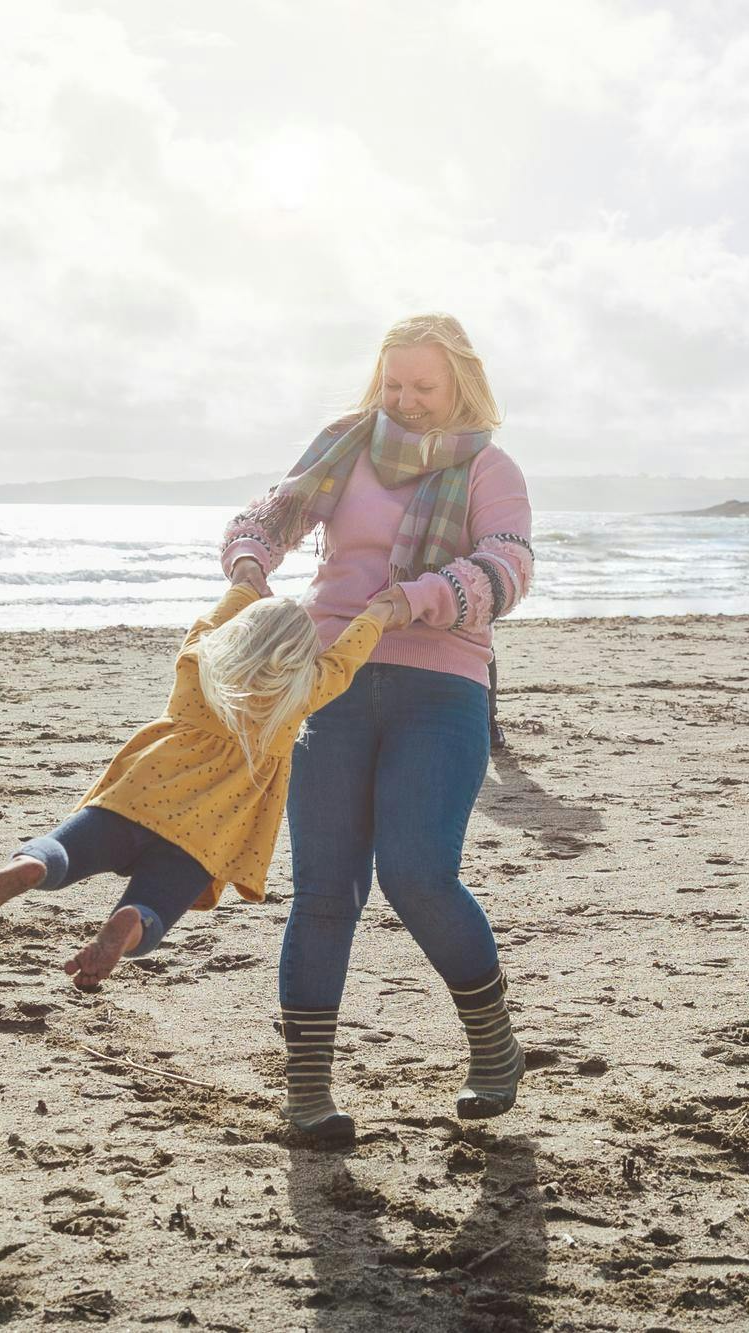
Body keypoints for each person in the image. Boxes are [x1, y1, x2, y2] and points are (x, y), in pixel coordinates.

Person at [223, 312, 535, 1142]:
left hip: (442, 689)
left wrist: (417, 596)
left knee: (418, 872)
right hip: (330, 682)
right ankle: (308, 1096)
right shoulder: (343, 445)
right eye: (393, 383)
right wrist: (250, 558)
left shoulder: (489, 470)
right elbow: (272, 513)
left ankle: (495, 1048)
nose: (404, 399)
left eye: (422, 386)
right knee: (325, 890)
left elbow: (509, 567)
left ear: (458, 385)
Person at [0, 584, 406, 989]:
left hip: (137, 798)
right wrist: (380, 611)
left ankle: (30, 866)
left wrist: (246, 586)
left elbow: (208, 621)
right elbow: (347, 657)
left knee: (64, 850)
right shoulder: (301, 694)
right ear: (302, 657)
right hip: (205, 838)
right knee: (153, 906)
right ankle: (128, 922)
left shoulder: (198, 661)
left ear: (238, 634)